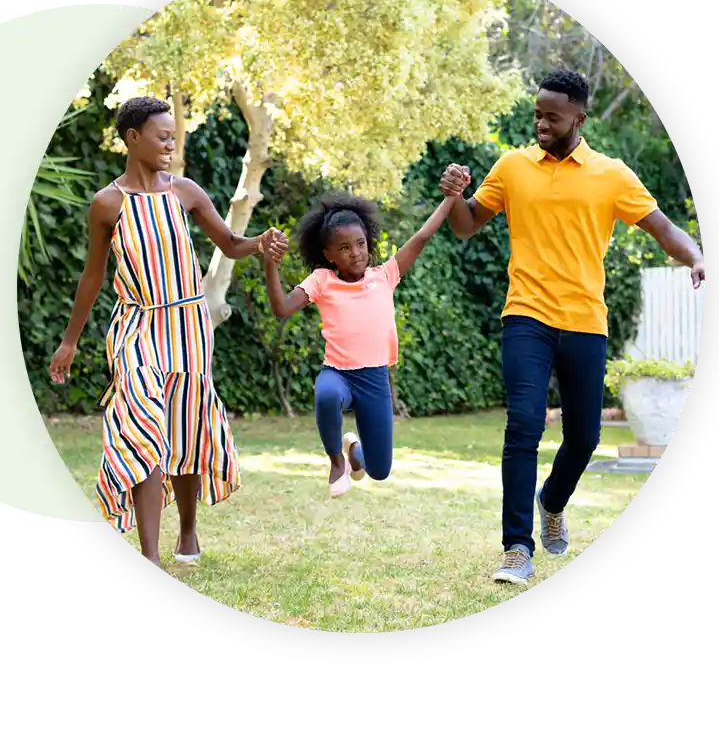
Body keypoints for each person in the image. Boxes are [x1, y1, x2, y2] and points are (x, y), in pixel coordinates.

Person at [439, 69, 705, 585]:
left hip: (585, 320)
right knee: (523, 426)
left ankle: (552, 501)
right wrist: (453, 196)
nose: (540, 122)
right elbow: (468, 225)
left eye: (551, 116)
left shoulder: (611, 174)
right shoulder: (513, 167)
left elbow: (662, 226)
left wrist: (694, 254)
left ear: (579, 118)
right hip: (526, 316)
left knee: (583, 436)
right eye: (537, 113)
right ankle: (516, 547)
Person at [49, 96, 286, 566]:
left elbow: (231, 243)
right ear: (132, 138)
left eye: (173, 137)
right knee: (142, 425)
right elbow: (93, 275)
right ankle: (150, 557)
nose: (169, 145)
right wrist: (70, 340)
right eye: (162, 137)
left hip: (189, 325)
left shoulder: (186, 192)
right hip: (137, 325)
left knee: (185, 424)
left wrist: (259, 243)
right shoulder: (107, 204)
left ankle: (189, 531)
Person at [263, 190, 462, 497]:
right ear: (329, 254)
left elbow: (422, 236)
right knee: (326, 395)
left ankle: (355, 452)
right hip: (338, 373)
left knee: (379, 470)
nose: (355, 252)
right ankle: (337, 462)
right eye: (344, 248)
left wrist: (451, 198)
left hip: (374, 380)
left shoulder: (385, 275)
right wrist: (270, 264)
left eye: (360, 244)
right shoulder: (322, 280)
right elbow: (282, 308)